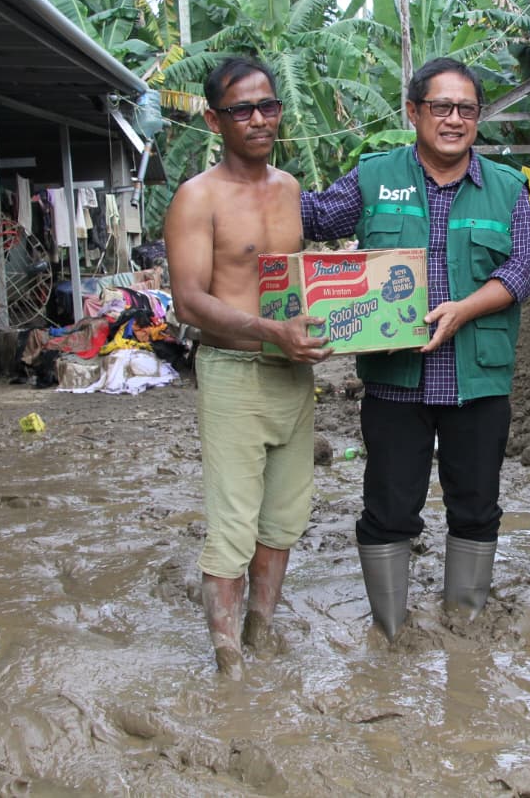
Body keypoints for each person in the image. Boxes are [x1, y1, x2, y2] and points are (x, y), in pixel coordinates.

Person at [301, 57, 530, 641]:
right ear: (413, 112)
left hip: (477, 380)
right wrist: (255, 182)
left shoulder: (508, 189)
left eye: (466, 109)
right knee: (388, 508)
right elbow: (308, 215)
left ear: (477, 118)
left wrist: (466, 309)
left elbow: (525, 269)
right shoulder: (373, 178)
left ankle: (465, 623)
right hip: (394, 381)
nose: (454, 119)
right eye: (441, 107)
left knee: (477, 506)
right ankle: (390, 630)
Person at [165, 57, 332, 676]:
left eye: (269, 106)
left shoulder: (290, 189)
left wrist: (337, 325)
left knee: (286, 516)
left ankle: (261, 629)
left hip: (294, 373)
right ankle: (227, 658)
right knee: (232, 520)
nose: (259, 119)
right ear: (214, 118)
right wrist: (269, 332)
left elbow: (298, 283)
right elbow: (188, 300)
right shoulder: (197, 197)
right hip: (234, 373)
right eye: (242, 109)